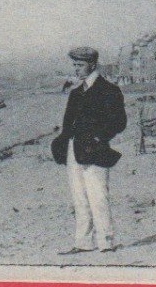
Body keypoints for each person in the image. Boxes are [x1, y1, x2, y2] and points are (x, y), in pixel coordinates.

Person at [50, 45, 127, 255]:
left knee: (98, 197)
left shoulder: (109, 90)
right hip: (74, 151)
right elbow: (68, 124)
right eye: (74, 64)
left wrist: (98, 137)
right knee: (80, 199)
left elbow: (119, 122)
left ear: (92, 64)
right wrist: (62, 142)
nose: (76, 69)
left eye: (79, 65)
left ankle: (106, 242)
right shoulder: (76, 93)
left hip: (95, 151)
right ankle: (83, 242)